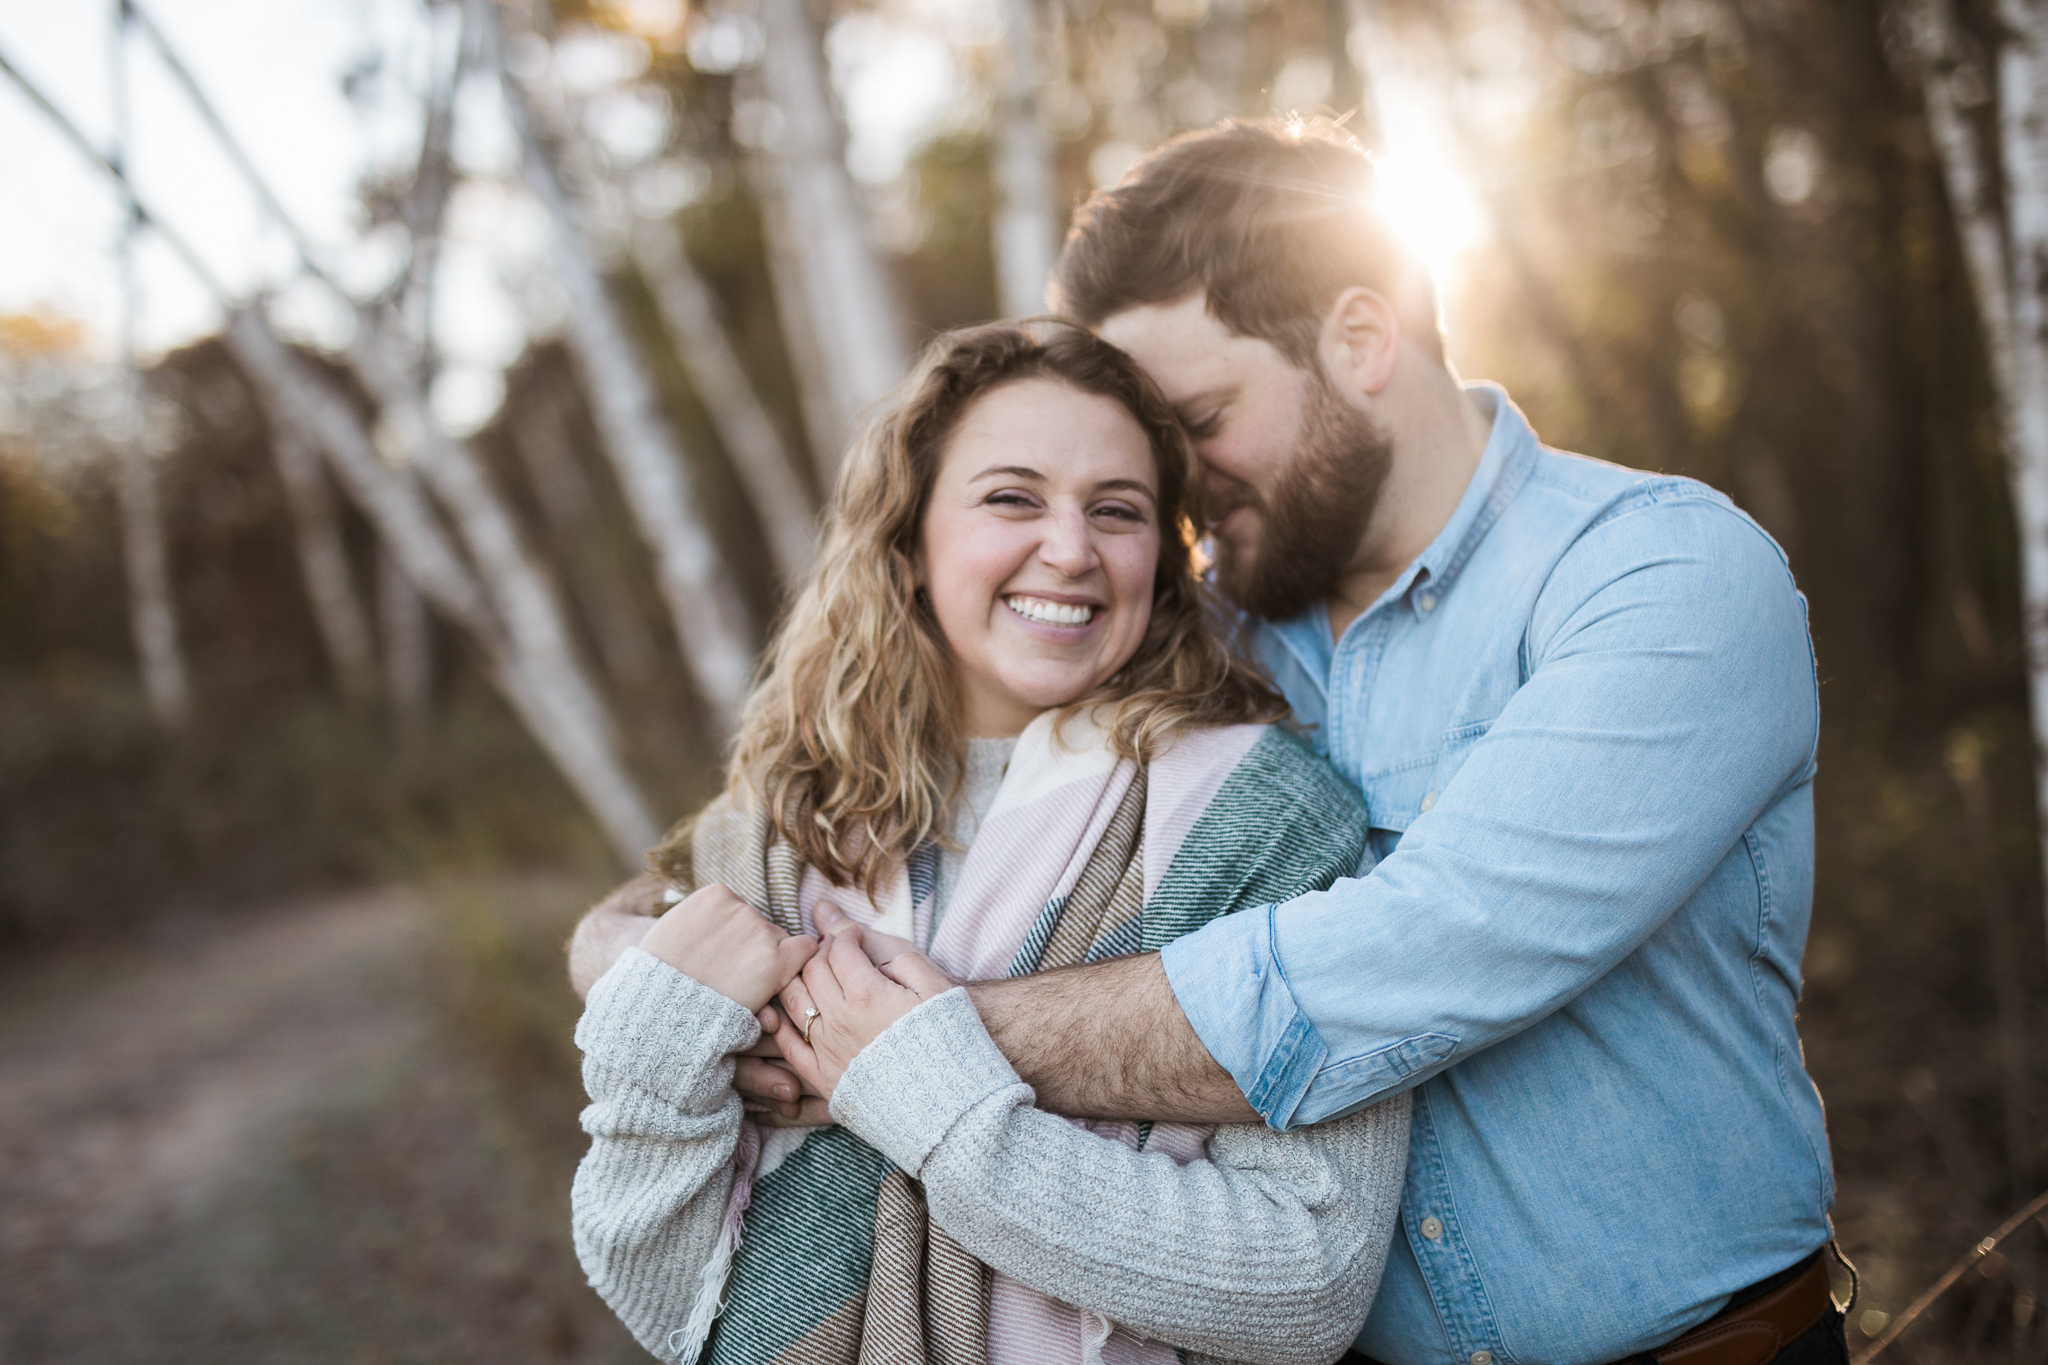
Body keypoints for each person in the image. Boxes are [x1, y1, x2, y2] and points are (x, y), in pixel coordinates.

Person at [574, 118, 1843, 1365]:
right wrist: (631, 962)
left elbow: (1412, 959)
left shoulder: (1653, 578)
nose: (1171, 488)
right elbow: (711, 889)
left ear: (1357, 337)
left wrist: (886, 1043)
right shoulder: (1207, 643)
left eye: (1199, 419)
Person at [570, 320, 1411, 1365]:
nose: (1069, 549)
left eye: (1117, 510)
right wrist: (652, 1050)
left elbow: (1309, 1280)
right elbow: (669, 1304)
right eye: (1011, 497)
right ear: (909, 539)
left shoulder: (1259, 819)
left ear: (1162, 557)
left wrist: (934, 1101)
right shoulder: (773, 833)